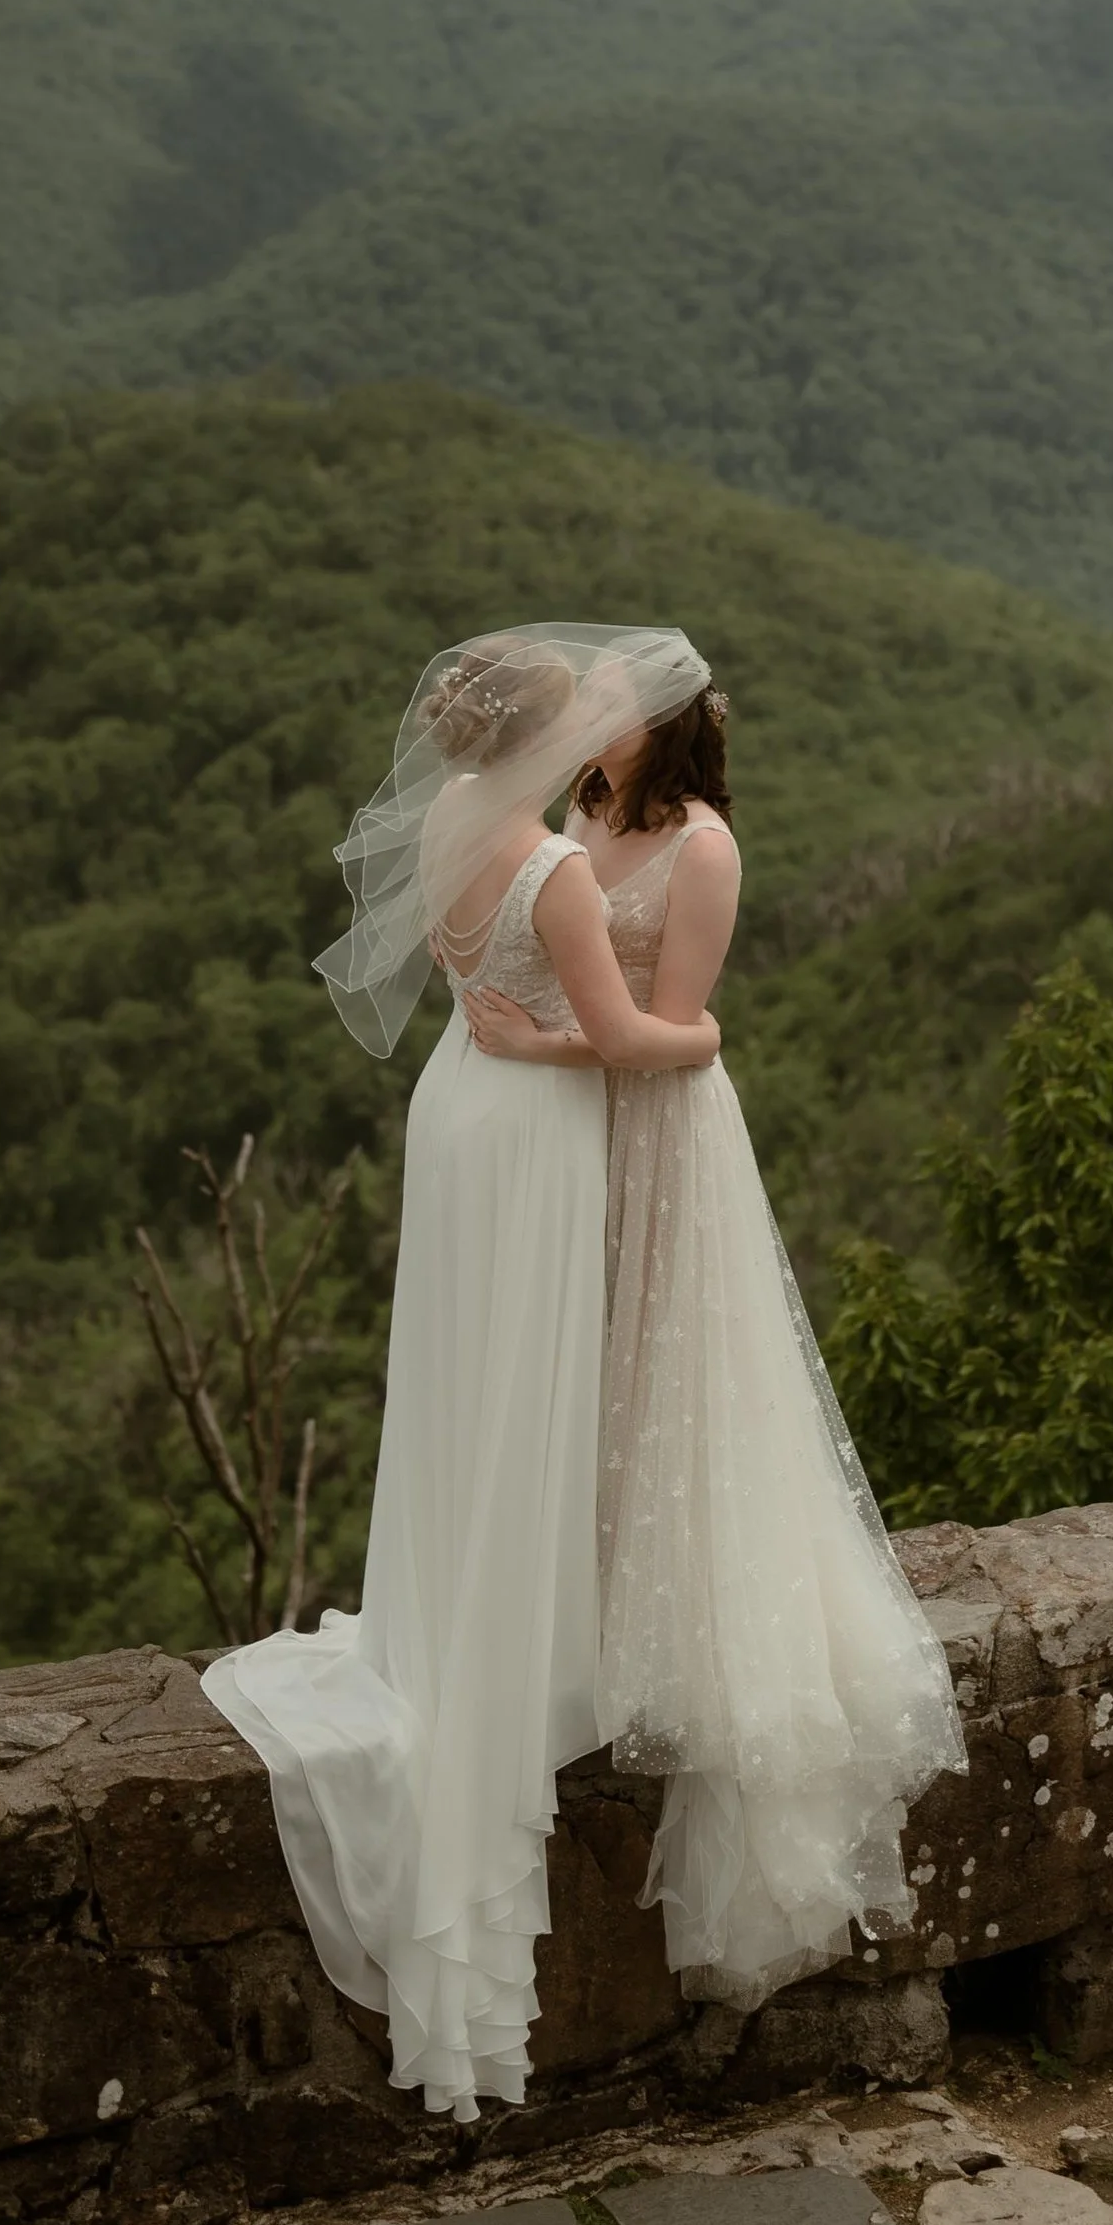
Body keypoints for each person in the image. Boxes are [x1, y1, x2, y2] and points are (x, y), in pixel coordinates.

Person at [201, 625, 720, 2124]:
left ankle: (454, 1622)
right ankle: (511, 1661)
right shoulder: (557, 872)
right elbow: (626, 1040)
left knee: (458, 1389)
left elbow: (486, 1000)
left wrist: (529, 1034)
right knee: (523, 1399)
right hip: (537, 1135)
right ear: (546, 745)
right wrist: (703, 1037)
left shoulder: (444, 822)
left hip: (455, 1111)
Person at [466, 669, 963, 2007]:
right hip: (575, 1138)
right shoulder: (579, 819)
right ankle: (571, 1608)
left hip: (663, 1132)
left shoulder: (701, 845)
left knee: (666, 1380)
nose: (589, 730)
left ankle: (665, 1633)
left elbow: (677, 1035)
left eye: (613, 711)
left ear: (668, 726)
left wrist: (532, 1052)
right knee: (587, 1369)